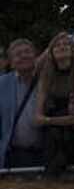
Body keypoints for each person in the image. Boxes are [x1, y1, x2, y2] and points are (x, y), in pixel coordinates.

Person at [33, 32, 74, 177]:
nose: (62, 47)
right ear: (50, 53)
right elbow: (38, 118)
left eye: (66, 44)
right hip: (52, 142)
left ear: (73, 51)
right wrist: (64, 119)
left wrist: (49, 120)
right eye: (57, 45)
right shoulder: (45, 79)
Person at [0, 38, 44, 171]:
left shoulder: (46, 80)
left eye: (27, 52)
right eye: (18, 54)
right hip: (13, 155)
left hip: (45, 153)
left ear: (35, 56)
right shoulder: (2, 84)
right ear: (11, 62)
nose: (23, 56)